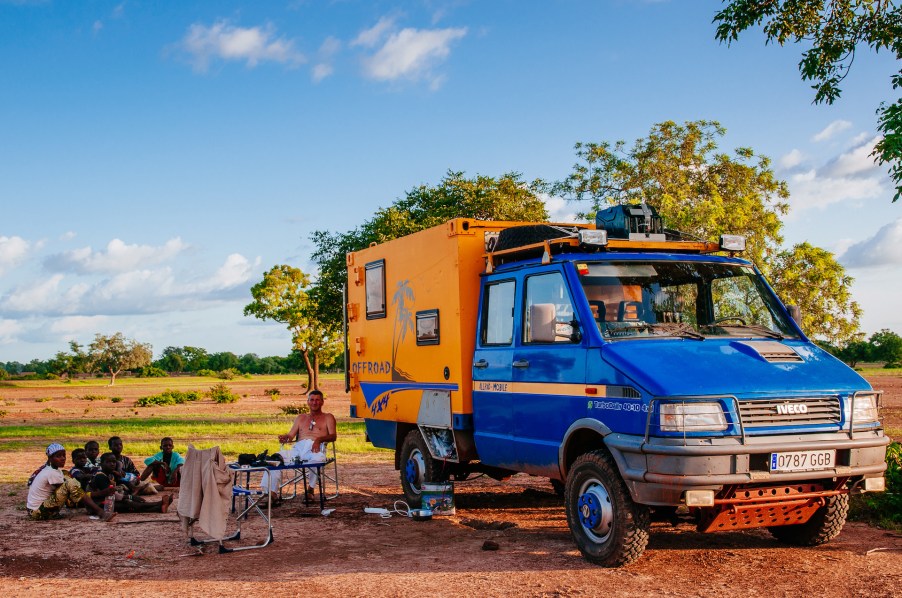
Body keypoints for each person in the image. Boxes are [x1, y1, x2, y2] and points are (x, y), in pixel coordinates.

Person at [261, 389, 336, 503]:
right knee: (274, 459)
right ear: (308, 402)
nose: (314, 403)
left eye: (317, 400)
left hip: (315, 448)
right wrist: (285, 437)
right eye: (312, 400)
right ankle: (271, 494)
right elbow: (291, 436)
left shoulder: (328, 417)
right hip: (298, 449)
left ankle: (310, 490)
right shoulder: (301, 418)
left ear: (322, 402)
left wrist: (319, 439)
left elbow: (333, 436)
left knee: (317, 459)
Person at [26, 443, 114, 521]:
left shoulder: (52, 470)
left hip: (37, 509)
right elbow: (72, 492)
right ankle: (100, 512)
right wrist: (100, 494)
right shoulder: (50, 472)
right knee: (70, 483)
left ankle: (95, 506)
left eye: (64, 455)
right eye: (58, 456)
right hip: (37, 513)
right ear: (50, 458)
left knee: (66, 475)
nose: (62, 458)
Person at [89, 453, 172, 513]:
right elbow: (112, 495)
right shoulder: (100, 476)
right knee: (129, 504)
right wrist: (131, 497)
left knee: (129, 504)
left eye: (114, 462)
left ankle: (159, 508)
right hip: (96, 505)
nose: (112, 464)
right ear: (101, 464)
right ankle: (159, 503)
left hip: (106, 501)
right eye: (108, 462)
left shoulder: (110, 475)